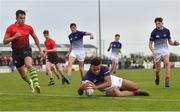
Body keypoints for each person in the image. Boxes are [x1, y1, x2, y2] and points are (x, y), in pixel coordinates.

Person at [3, 10, 43, 93]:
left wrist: (40, 49)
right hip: (16, 53)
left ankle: (36, 84)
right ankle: (30, 82)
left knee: (29, 64)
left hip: (26, 49)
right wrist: (14, 37)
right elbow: (5, 41)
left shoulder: (29, 27)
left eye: (24, 18)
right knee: (23, 75)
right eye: (21, 18)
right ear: (16, 18)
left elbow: (35, 38)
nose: (23, 20)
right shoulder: (10, 28)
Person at [78, 58, 149, 97]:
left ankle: (124, 89)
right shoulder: (87, 77)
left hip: (115, 81)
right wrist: (81, 89)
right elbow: (80, 93)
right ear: (90, 67)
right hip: (107, 90)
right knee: (117, 93)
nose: (97, 71)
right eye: (94, 69)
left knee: (136, 87)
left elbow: (109, 83)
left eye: (98, 69)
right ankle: (135, 93)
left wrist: (96, 87)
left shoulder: (104, 68)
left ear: (100, 66)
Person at [149, 17, 179, 87]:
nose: (157, 25)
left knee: (167, 63)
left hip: (165, 49)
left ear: (162, 23)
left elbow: (170, 42)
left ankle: (167, 79)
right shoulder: (153, 32)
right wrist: (153, 52)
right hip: (157, 51)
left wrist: (174, 43)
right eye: (156, 24)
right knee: (158, 69)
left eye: (159, 23)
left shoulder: (167, 31)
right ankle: (157, 76)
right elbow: (150, 44)